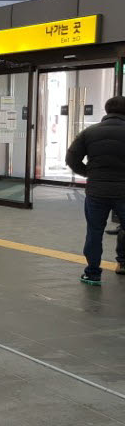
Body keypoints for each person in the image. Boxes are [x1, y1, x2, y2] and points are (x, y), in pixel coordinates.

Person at [66, 95, 125, 285]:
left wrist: (89, 173)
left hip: (97, 191)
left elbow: (71, 159)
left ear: (107, 111)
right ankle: (123, 263)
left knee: (94, 232)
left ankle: (92, 273)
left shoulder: (89, 132)